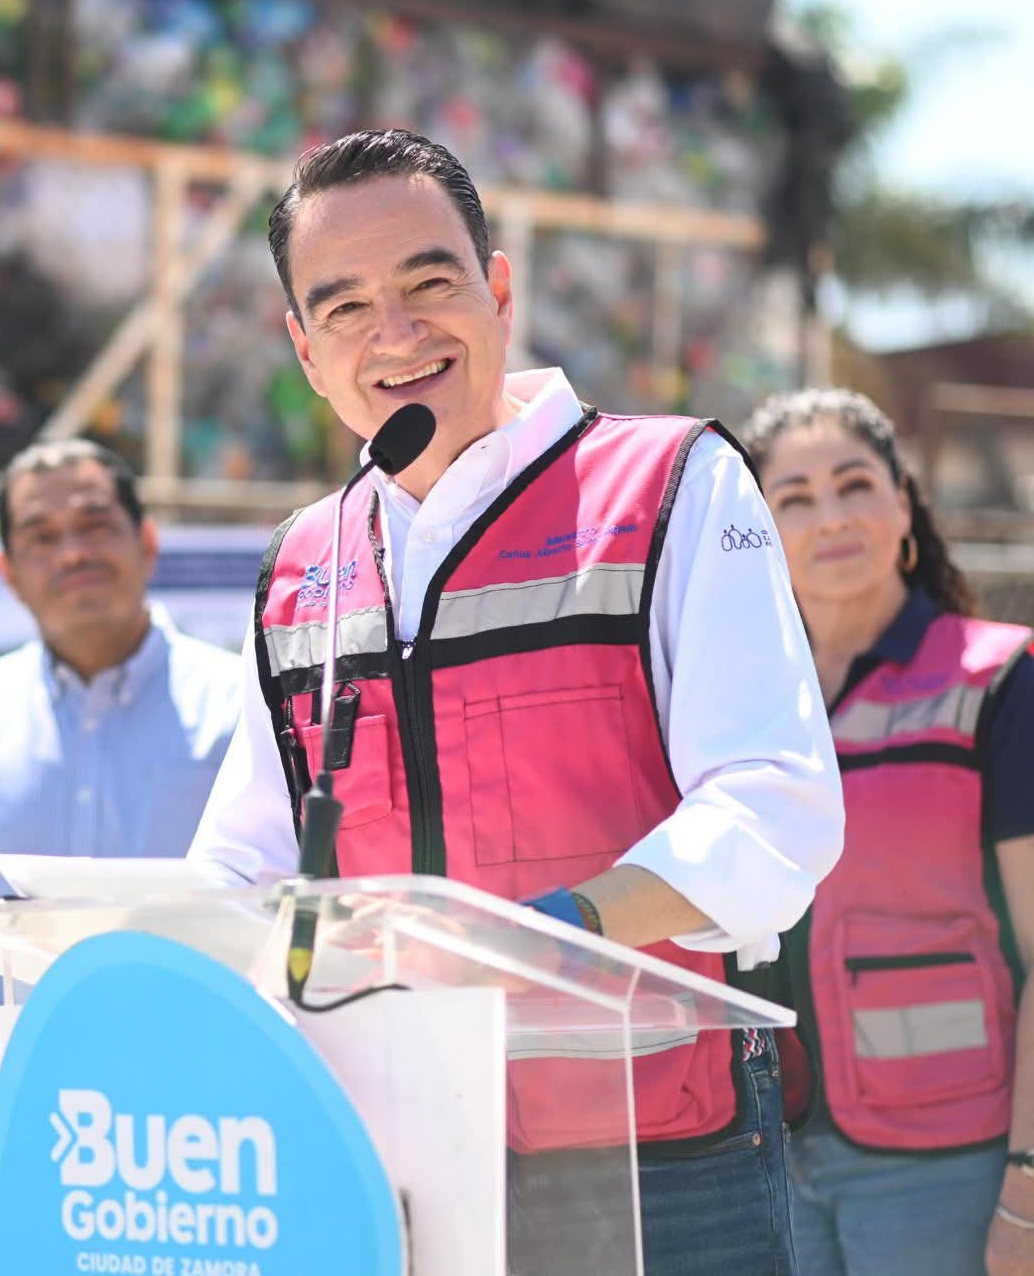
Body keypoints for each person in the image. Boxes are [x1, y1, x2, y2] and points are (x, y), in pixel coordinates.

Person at [186, 128, 844, 1274]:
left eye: (427, 282)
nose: (392, 335)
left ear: (496, 287)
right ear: (302, 350)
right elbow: (247, 852)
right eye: (341, 308)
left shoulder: (670, 484)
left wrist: (561, 931)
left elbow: (773, 801)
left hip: (657, 1151)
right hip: (384, 1148)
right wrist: (137, 946)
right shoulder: (301, 560)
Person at [742, 388, 1034, 1276]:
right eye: (793, 498)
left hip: (952, 1164)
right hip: (768, 1156)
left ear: (904, 503)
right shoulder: (738, 704)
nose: (830, 517)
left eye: (855, 484)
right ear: (754, 535)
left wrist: (1025, 1188)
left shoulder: (1001, 681)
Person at [0, 438, 244, 1014]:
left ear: (147, 543)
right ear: (8, 573)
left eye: (95, 525)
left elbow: (279, 910)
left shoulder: (246, 707)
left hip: (205, 1084)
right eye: (41, 537)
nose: (73, 553)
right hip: (11, 1088)